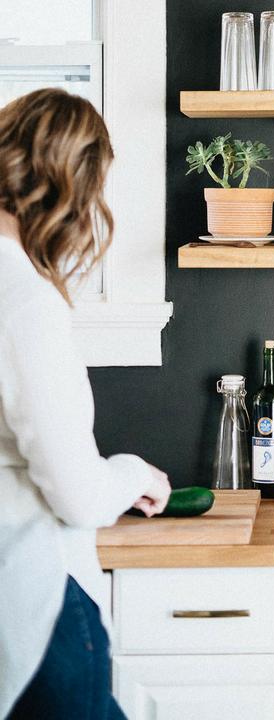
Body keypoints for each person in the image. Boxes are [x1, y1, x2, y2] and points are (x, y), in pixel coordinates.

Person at [0, 89, 171, 719]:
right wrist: (132, 475)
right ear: (70, 184)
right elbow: (73, 493)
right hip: (36, 604)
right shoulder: (25, 302)